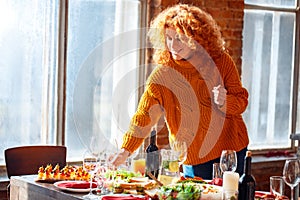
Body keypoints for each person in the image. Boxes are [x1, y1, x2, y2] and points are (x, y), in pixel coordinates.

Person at [110, 3, 249, 180]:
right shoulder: (162, 75)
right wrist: (125, 150)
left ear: (197, 38)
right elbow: (144, 116)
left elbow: (241, 101)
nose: (173, 45)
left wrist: (224, 101)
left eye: (180, 39)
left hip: (230, 152)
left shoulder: (221, 62)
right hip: (191, 157)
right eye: (168, 38)